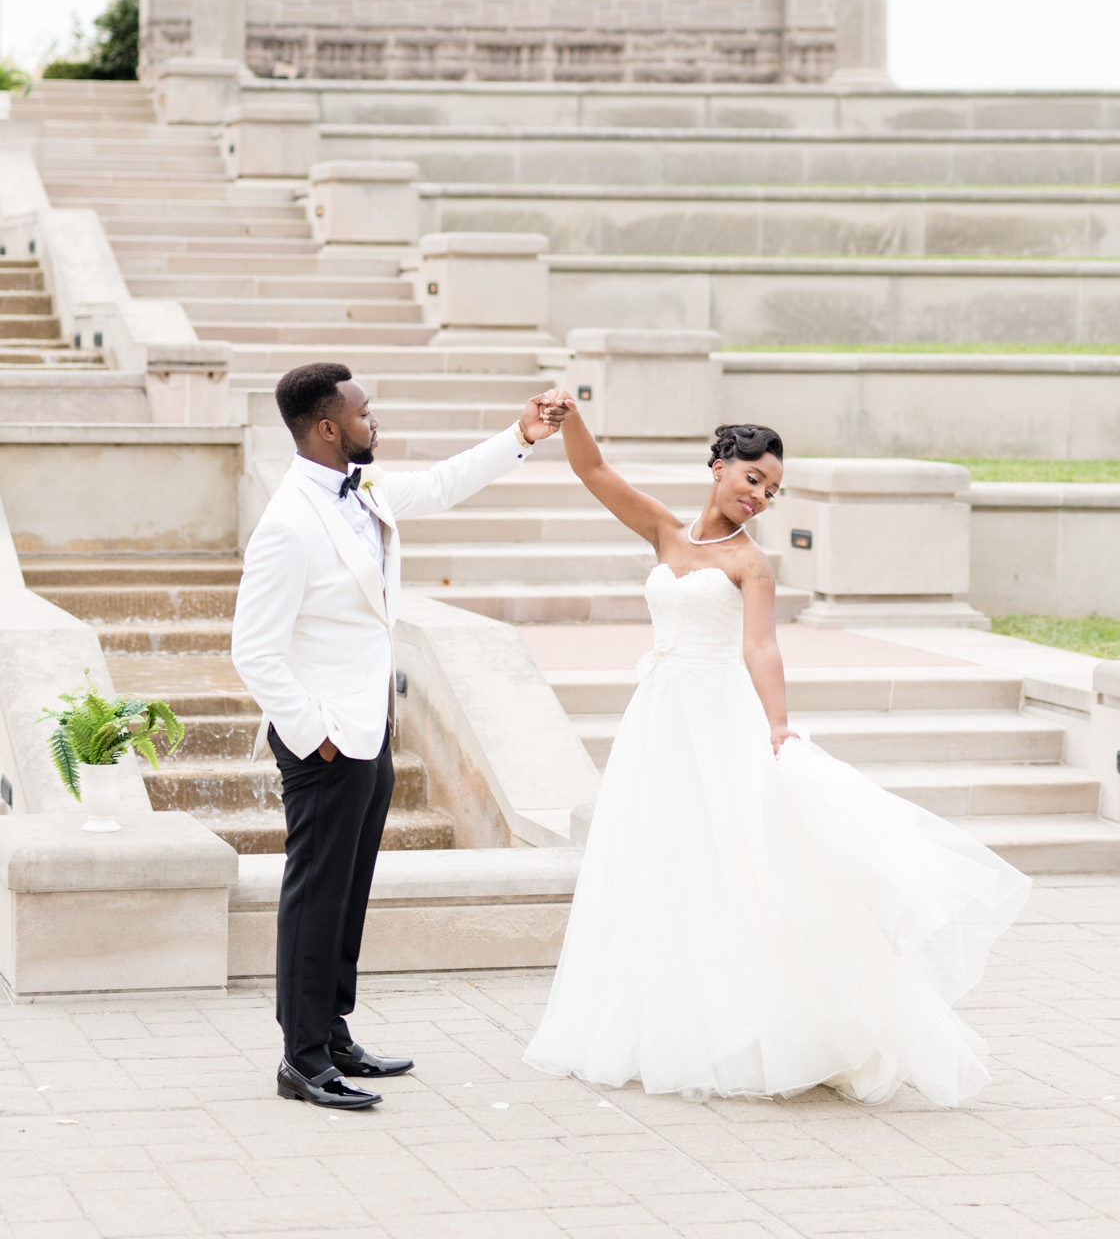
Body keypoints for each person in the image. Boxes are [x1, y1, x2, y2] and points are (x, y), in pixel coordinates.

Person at [525, 412, 1031, 1106]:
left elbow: (760, 647)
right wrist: (571, 417)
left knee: (732, 859)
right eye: (752, 478)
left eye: (770, 490)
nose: (758, 496)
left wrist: (778, 725)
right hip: (658, 720)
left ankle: (758, 1024)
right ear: (720, 469)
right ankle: (663, 1014)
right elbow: (593, 472)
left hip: (716, 715)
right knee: (660, 857)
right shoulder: (664, 531)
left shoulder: (748, 562)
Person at [231, 360, 568, 1110]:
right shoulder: (288, 522)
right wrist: (314, 733)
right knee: (314, 898)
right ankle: (302, 1058)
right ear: (326, 428)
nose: (371, 419)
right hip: (325, 740)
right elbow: (252, 648)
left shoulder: (368, 489)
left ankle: (334, 1029)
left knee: (348, 894)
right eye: (361, 411)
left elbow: (445, 483)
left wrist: (523, 434)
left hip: (368, 729)